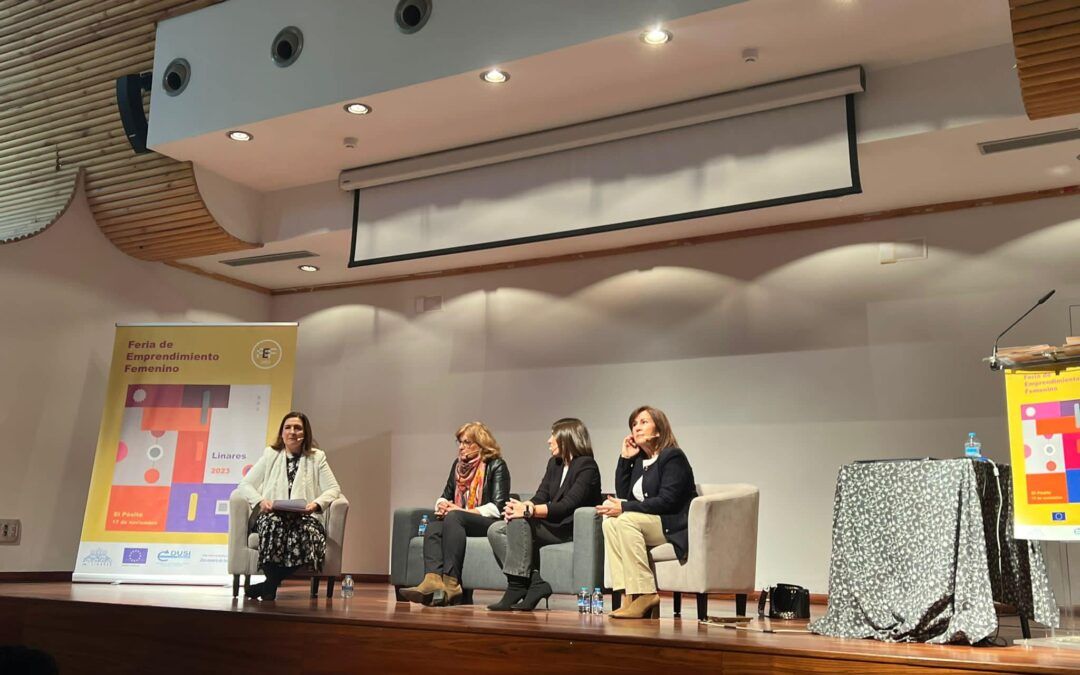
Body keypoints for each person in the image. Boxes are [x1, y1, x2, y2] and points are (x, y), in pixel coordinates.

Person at [486, 418, 602, 611]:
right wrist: (522, 506)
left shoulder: (587, 466)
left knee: (519, 521)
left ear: (567, 438)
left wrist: (528, 511)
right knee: (494, 529)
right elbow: (541, 496)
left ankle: (516, 586)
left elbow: (567, 506)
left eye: (553, 436)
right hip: (550, 524)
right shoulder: (554, 464)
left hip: (567, 527)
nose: (549, 441)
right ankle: (535, 583)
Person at [596, 405, 696, 620]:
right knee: (610, 523)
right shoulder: (641, 461)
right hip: (648, 523)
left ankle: (646, 594)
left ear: (658, 429)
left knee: (625, 520)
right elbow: (626, 496)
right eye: (634, 424)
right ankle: (628, 595)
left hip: (672, 524)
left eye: (643, 422)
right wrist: (625, 460)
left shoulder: (672, 457)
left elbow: (667, 501)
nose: (636, 428)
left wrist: (623, 508)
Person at [400, 421, 510, 606]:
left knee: (454, 516)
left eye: (467, 442)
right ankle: (432, 579)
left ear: (480, 443)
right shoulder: (458, 466)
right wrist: (442, 505)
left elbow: (498, 507)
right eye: (459, 442)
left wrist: (459, 511)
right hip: (458, 522)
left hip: (487, 522)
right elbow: (446, 495)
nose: (461, 447)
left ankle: (452, 583)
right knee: (434, 526)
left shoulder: (496, 465)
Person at [235, 411, 341, 600]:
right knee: (271, 525)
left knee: (308, 533)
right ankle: (269, 587)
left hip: (304, 516)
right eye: (288, 427)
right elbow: (245, 484)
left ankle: (268, 586)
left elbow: (333, 489)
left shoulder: (317, 457)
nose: (292, 432)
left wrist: (316, 504)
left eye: (298, 428)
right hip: (273, 514)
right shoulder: (271, 454)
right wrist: (261, 501)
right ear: (282, 433)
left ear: (305, 433)